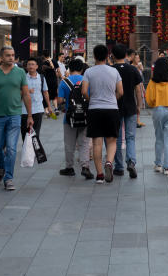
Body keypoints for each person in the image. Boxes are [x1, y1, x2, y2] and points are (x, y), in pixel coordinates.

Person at [0, 46, 33, 191]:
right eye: (8, 55)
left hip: (15, 116)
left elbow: (26, 95)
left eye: (13, 55)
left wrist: (29, 115)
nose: (11, 58)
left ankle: (8, 178)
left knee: (11, 148)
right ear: (1, 58)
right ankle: (2, 167)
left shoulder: (20, 72)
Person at [83, 44, 123, 184]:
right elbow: (120, 91)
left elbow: (84, 91)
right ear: (107, 56)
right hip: (112, 109)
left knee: (96, 143)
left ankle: (99, 175)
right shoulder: (114, 72)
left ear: (94, 56)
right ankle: (109, 163)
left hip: (94, 109)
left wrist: (91, 100)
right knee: (112, 140)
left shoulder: (89, 72)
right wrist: (112, 99)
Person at [57, 59, 93, 179]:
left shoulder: (64, 82)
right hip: (85, 116)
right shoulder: (87, 80)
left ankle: (69, 168)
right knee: (84, 143)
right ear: (82, 69)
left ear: (69, 69)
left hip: (70, 118)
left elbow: (60, 101)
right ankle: (85, 167)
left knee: (69, 144)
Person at [111, 44, 143, 178]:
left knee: (117, 138)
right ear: (126, 55)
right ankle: (131, 161)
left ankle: (118, 167)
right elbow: (138, 89)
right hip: (130, 106)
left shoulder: (110, 70)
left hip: (114, 107)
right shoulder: (133, 69)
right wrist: (139, 105)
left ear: (112, 56)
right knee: (130, 137)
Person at [146, 57, 168, 175]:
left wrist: (154, 104)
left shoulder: (152, 82)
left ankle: (158, 164)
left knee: (159, 138)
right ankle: (167, 167)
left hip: (158, 110)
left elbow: (149, 99)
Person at [22, 58, 51, 139]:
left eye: (32, 64)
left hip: (38, 109)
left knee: (36, 134)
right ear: (26, 67)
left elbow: (45, 92)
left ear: (37, 66)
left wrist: (49, 106)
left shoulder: (41, 78)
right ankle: (26, 150)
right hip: (24, 110)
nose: (31, 66)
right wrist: (26, 91)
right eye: (29, 64)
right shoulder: (23, 78)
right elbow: (17, 92)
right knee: (25, 134)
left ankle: (35, 150)